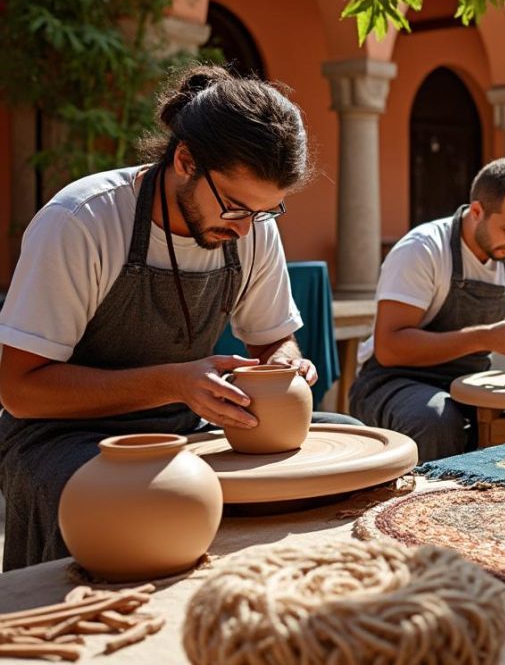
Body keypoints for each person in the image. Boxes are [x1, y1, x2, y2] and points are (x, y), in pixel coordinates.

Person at [0, 66, 360, 571]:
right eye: (235, 208)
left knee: (348, 453)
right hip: (62, 435)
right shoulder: (84, 221)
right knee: (131, 503)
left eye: (265, 212)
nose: (246, 229)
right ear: (185, 160)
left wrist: (284, 366)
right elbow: (20, 390)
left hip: (188, 424)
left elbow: (275, 341)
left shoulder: (251, 227)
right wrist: (174, 383)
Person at [351, 159, 505, 462]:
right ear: (477, 211)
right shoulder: (422, 249)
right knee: (435, 419)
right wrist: (483, 338)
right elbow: (390, 347)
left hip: (468, 383)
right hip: (392, 381)